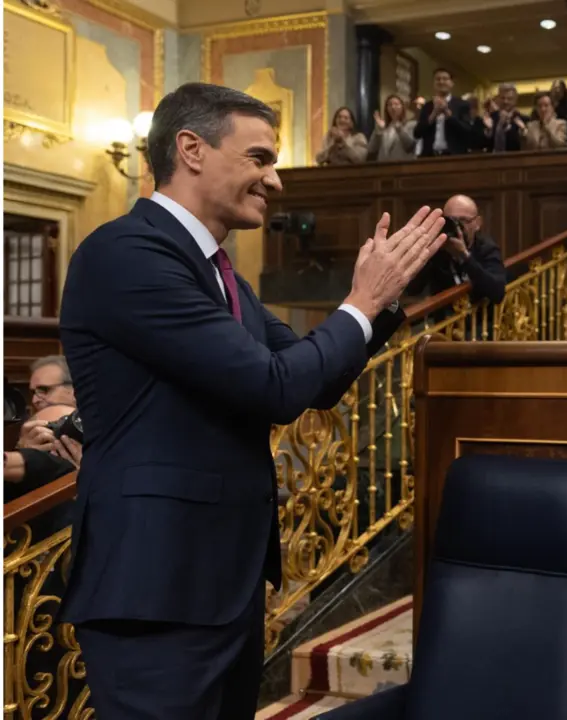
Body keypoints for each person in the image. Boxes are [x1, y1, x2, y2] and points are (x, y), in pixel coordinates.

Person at [56, 82, 447, 719]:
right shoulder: (126, 253)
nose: (276, 180)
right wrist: (360, 303)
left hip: (220, 586)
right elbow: (272, 386)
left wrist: (381, 303)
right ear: (191, 149)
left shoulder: (220, 272)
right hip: (157, 588)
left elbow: (309, 379)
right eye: (260, 158)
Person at [405, 194, 507, 331]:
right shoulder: (439, 253)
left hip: (481, 328)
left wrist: (465, 257)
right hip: (445, 329)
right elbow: (412, 289)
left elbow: (497, 292)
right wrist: (428, 254)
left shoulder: (486, 249)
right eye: (451, 220)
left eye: (463, 220)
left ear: (477, 223)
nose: (457, 226)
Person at [414, 68, 474, 157]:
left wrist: (448, 114)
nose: (441, 82)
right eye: (438, 79)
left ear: (451, 83)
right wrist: (433, 114)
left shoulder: (462, 105)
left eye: (445, 79)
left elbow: (468, 131)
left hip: (454, 156)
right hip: (430, 157)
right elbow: (417, 133)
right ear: (434, 83)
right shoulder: (427, 106)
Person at [367, 94, 417, 162]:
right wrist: (378, 130)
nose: (393, 107)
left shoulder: (411, 125)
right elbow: (371, 149)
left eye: (396, 104)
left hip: (403, 167)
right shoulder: (383, 127)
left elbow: (410, 147)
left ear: (402, 107)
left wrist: (399, 129)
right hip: (384, 168)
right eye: (390, 105)